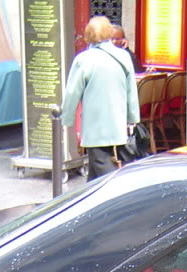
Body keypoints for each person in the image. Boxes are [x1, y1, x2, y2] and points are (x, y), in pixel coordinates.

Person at [61, 16, 140, 180]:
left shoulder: (84, 59)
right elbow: (131, 91)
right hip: (117, 123)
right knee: (97, 169)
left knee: (102, 167)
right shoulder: (123, 56)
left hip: (95, 125)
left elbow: (72, 93)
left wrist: (65, 119)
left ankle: (115, 199)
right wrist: (132, 118)